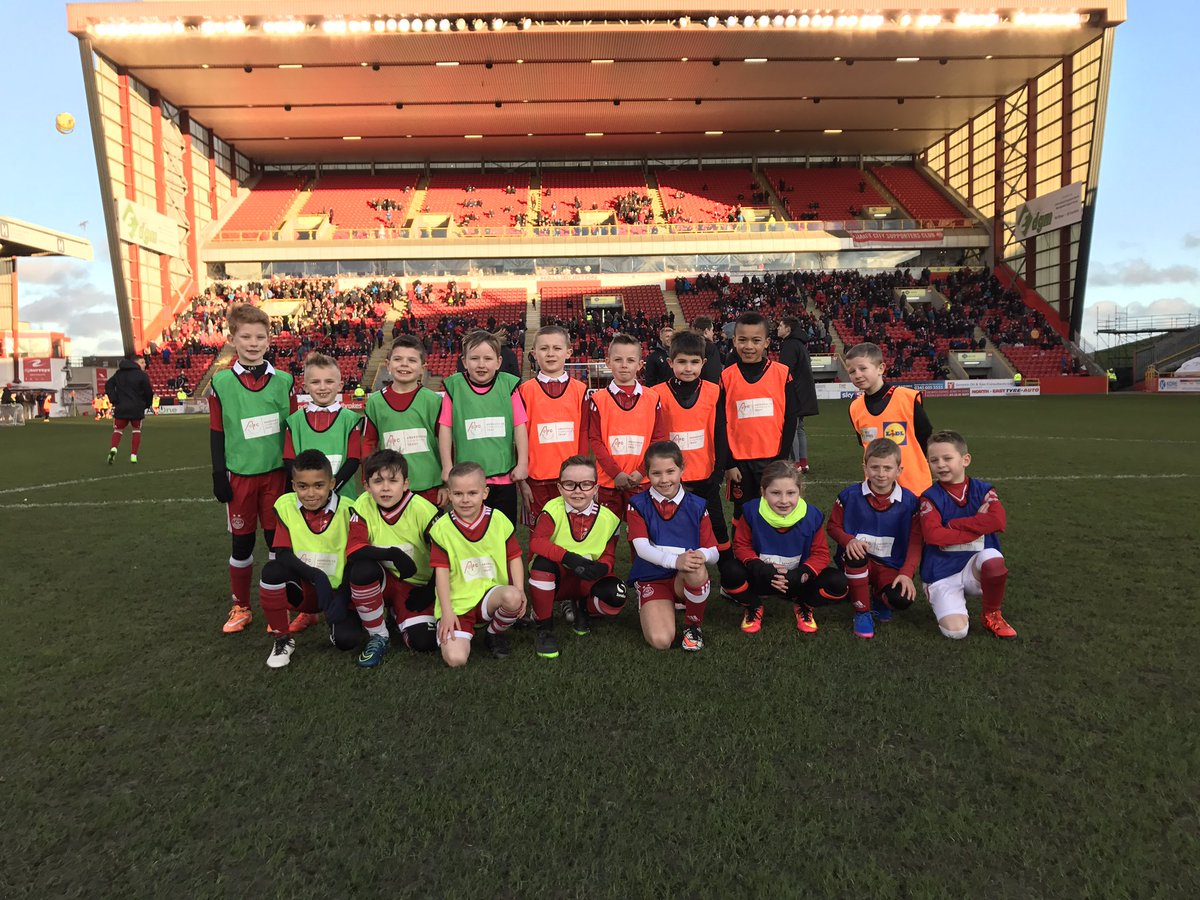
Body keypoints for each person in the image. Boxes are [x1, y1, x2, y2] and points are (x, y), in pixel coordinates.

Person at [210, 303, 296, 634]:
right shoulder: (221, 383)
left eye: (260, 336)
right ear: (232, 339)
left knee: (278, 546)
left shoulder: (284, 381)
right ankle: (241, 607)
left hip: (276, 476)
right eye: (245, 336)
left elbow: (291, 429)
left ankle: (279, 608)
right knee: (242, 546)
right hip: (240, 478)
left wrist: (292, 475)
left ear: (269, 340)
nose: (253, 342)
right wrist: (219, 473)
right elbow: (217, 431)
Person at [258, 450, 365, 668]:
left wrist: (343, 598)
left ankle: (338, 622)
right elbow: (283, 553)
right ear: (293, 485)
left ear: (332, 483)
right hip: (305, 588)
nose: (310, 493)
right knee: (272, 572)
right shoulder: (286, 506)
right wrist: (316, 576)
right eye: (302, 486)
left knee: (347, 641)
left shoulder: (349, 509)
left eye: (319, 485)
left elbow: (355, 559)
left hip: (337, 592)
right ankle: (282, 638)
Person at [721, 460, 850, 634]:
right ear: (763, 492)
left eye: (791, 493)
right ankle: (754, 606)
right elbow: (741, 546)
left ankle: (804, 605)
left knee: (838, 583)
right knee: (729, 572)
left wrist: (800, 574)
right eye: (775, 493)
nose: (784, 500)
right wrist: (761, 568)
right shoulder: (752, 512)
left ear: (800, 492)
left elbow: (820, 554)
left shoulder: (811, 516)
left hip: (796, 581)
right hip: (762, 578)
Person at [918, 430, 1017, 640]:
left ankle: (992, 614)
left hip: (974, 566)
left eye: (947, 458)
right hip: (942, 571)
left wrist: (952, 524)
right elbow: (933, 536)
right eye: (934, 460)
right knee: (956, 632)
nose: (940, 465)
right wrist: (979, 525)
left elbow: (998, 521)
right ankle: (940, 595)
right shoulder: (929, 497)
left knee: (993, 561)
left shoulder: (983, 490)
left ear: (965, 460)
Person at [344, 449, 438, 667]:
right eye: (377, 481)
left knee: (424, 642)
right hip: (383, 580)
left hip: (416, 585)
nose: (385, 487)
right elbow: (355, 549)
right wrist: (392, 554)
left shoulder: (424, 510)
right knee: (361, 569)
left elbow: (446, 557)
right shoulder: (362, 504)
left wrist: (431, 590)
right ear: (366, 485)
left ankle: (398, 615)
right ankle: (379, 635)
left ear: (406, 484)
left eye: (393, 480)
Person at [428, 461, 527, 666]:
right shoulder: (442, 529)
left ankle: (493, 632)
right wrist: (447, 612)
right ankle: (461, 630)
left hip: (489, 596)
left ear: (485, 492)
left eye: (472, 493)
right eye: (458, 494)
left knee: (513, 597)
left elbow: (514, 556)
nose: (465, 500)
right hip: (458, 604)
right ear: (449, 494)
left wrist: (520, 588)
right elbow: (441, 573)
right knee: (456, 659)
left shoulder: (498, 520)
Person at [527, 456, 626, 659]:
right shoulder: (552, 510)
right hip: (558, 579)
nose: (578, 491)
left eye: (586, 484)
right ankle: (545, 628)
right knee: (541, 566)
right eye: (570, 484)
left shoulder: (609, 518)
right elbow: (536, 542)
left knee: (615, 595)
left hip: (586, 576)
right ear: (560, 487)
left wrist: (604, 568)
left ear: (596, 488)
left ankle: (584, 609)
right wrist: (569, 558)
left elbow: (609, 554)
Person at [626, 441, 719, 652]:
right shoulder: (637, 503)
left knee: (696, 567)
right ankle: (656, 601)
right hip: (652, 577)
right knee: (661, 641)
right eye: (656, 473)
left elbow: (713, 551)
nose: (664, 479)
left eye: (670, 471)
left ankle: (693, 626)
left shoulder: (697, 504)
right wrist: (676, 560)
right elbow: (642, 548)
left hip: (683, 577)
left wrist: (698, 556)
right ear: (647, 473)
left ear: (682, 469)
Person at [827, 438, 923, 640]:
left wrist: (906, 573)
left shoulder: (910, 502)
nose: (881, 474)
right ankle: (862, 612)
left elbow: (916, 542)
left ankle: (881, 597)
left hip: (890, 565)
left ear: (899, 470)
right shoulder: (849, 496)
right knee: (855, 555)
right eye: (875, 467)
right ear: (865, 467)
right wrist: (848, 540)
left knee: (901, 599)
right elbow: (833, 526)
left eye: (887, 468)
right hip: (857, 562)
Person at [654, 330, 732, 574]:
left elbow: (721, 432)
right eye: (682, 362)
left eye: (694, 362)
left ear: (703, 363)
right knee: (675, 530)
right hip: (671, 480)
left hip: (706, 477)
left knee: (717, 527)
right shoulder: (656, 393)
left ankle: (731, 579)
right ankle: (675, 581)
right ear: (670, 363)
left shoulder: (713, 391)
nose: (688, 368)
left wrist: (718, 472)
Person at [438, 330, 528, 525]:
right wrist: (447, 465)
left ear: (498, 361)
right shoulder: (454, 387)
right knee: (470, 532)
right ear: (464, 361)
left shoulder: (509, 386)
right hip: (467, 481)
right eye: (474, 358)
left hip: (504, 478)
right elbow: (445, 428)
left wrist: (522, 463)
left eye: (488, 358)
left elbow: (520, 426)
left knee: (504, 533)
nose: (481, 364)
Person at [720, 312, 798, 535]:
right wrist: (729, 463)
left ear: (766, 342)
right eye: (742, 340)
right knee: (742, 511)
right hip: (740, 463)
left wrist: (782, 458)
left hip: (772, 459)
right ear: (734, 341)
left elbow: (791, 418)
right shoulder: (726, 377)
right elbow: (720, 423)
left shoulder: (782, 374)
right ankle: (743, 559)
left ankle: (773, 556)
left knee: (774, 508)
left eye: (756, 340)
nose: (749, 346)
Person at [585, 333, 668, 521]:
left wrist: (641, 471)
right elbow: (596, 442)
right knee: (607, 536)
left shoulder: (652, 397)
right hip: (608, 481)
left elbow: (659, 439)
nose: (624, 365)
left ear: (639, 365)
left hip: (642, 479)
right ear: (608, 362)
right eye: (618, 359)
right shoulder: (598, 399)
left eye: (630, 360)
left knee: (640, 535)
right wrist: (616, 474)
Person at [361, 335, 444, 505]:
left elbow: (445, 443)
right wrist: (368, 477)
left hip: (429, 485)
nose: (404, 364)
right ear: (388, 365)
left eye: (412, 360)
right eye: (398, 359)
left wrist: (446, 483)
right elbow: (369, 442)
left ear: (423, 368)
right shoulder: (375, 402)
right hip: (390, 487)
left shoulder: (433, 401)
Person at [518, 325, 588, 525]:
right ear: (534, 354)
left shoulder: (580, 390)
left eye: (557, 348)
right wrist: (522, 482)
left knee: (572, 535)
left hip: (571, 480)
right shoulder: (524, 391)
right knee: (539, 537)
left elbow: (584, 434)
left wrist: (583, 476)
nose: (550, 354)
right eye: (544, 348)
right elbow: (518, 439)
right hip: (536, 480)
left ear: (568, 352)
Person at [845, 341, 933, 496]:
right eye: (852, 371)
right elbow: (865, 446)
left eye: (863, 368)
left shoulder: (907, 398)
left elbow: (925, 437)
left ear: (881, 368)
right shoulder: (855, 408)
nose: (857, 375)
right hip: (877, 490)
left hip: (914, 488)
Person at [284, 352, 362, 502]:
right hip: (307, 498)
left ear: (340, 385)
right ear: (305, 387)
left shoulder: (351, 420)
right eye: (315, 382)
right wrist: (309, 488)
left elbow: (353, 460)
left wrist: (330, 489)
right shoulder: (294, 422)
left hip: (342, 497)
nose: (322, 387)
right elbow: (289, 460)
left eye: (329, 381)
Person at [776, 317, 820, 472]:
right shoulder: (800, 344)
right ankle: (803, 462)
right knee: (800, 428)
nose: (778, 328)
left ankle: (795, 464)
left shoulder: (788, 345)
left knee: (791, 428)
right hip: (804, 392)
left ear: (788, 329)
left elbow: (784, 371)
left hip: (794, 392)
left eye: (781, 325)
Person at [104, 353, 153, 465]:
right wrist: (147, 404)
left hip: (121, 407)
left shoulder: (119, 374)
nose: (145, 364)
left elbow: (108, 385)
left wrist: (114, 399)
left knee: (118, 430)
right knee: (136, 430)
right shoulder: (142, 375)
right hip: (136, 408)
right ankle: (133, 456)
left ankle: (114, 449)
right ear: (135, 363)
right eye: (142, 362)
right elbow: (149, 392)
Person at [691, 316, 724, 384]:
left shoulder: (685, 345)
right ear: (706, 331)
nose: (713, 333)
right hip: (707, 389)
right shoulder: (710, 347)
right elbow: (713, 373)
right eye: (712, 330)